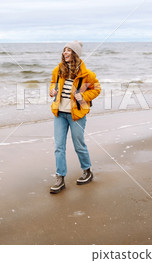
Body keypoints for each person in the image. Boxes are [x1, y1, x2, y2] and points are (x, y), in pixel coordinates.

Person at [48, 41, 101, 194]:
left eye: (69, 50)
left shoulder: (86, 74)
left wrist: (82, 96)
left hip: (76, 115)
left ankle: (87, 171)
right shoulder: (58, 70)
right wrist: (52, 90)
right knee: (59, 147)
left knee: (79, 144)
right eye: (64, 50)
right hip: (60, 113)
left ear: (75, 53)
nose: (65, 53)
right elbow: (53, 84)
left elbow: (97, 89)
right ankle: (60, 178)